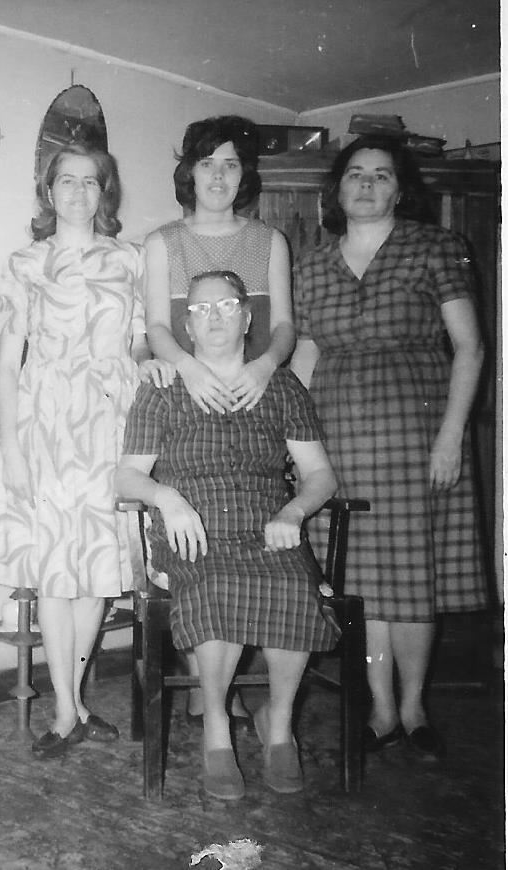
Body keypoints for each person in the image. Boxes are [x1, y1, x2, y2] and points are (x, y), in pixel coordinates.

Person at [290, 135, 488, 761]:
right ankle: (379, 708)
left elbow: (470, 347)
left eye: (381, 175)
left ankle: (414, 706)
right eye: (355, 174)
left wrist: (451, 435)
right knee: (364, 579)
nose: (367, 185)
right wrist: (290, 444)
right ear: (338, 188)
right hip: (338, 439)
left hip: (417, 435)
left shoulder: (438, 248)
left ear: (401, 188)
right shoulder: (312, 265)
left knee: (413, 576)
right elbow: (306, 355)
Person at [116, 270, 338, 799]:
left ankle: (278, 727)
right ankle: (217, 729)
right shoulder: (163, 387)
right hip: (192, 531)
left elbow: (320, 475)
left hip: (267, 528)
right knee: (215, 590)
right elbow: (126, 476)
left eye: (226, 305)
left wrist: (294, 513)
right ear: (186, 328)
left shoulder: (281, 386)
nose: (214, 317)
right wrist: (167, 499)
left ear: (247, 317)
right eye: (200, 310)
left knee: (295, 588)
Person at [0, 143, 168, 759]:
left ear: (105, 192)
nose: (79, 192)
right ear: (48, 189)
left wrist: (143, 369)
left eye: (92, 183)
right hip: (45, 427)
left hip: (110, 425)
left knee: (96, 570)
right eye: (67, 181)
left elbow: (142, 343)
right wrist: (12, 447)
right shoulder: (26, 262)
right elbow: (9, 365)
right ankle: (66, 708)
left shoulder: (131, 259)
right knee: (53, 576)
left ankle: (76, 703)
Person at [144, 114, 296, 726]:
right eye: (208, 162)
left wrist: (265, 370)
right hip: (193, 390)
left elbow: (282, 327)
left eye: (231, 164)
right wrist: (186, 367)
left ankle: (248, 700)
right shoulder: (164, 242)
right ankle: (214, 693)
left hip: (254, 399)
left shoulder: (269, 242)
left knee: (259, 536)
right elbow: (157, 326)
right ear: (189, 171)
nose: (219, 175)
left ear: (245, 175)